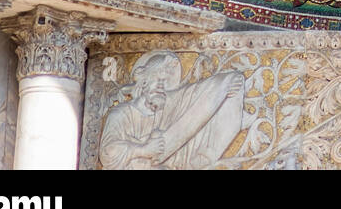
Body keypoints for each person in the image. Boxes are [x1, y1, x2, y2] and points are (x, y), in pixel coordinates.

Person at [100, 51, 245, 170]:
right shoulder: (121, 114)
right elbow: (108, 152)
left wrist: (225, 83)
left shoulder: (169, 107)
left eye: (167, 83)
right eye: (160, 81)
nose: (163, 88)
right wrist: (144, 150)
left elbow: (197, 94)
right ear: (144, 81)